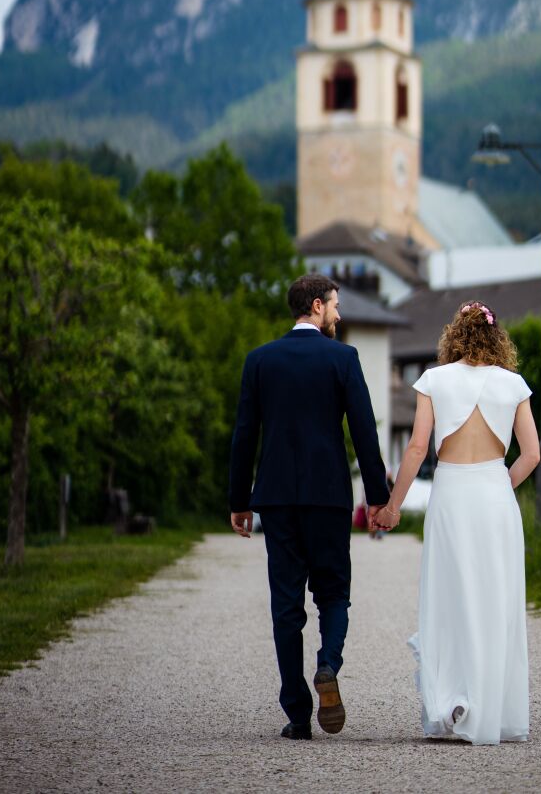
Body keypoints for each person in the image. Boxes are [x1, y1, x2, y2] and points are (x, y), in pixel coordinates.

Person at [229, 274, 390, 740]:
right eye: (335, 306)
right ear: (317, 306)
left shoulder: (260, 361)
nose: (339, 315)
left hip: (276, 498)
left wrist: (240, 501)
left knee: (285, 605)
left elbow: (245, 436)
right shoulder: (343, 358)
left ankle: (298, 714)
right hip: (328, 497)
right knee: (334, 592)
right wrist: (377, 498)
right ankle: (328, 663)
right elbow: (364, 431)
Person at [375, 301, 540, 745]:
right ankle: (491, 709)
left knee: (450, 599)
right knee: (494, 601)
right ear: (495, 338)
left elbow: (415, 450)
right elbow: (532, 455)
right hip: (495, 498)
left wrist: (392, 506)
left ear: (454, 336)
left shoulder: (434, 380)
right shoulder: (514, 385)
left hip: (451, 497)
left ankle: (451, 701)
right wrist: (502, 482)